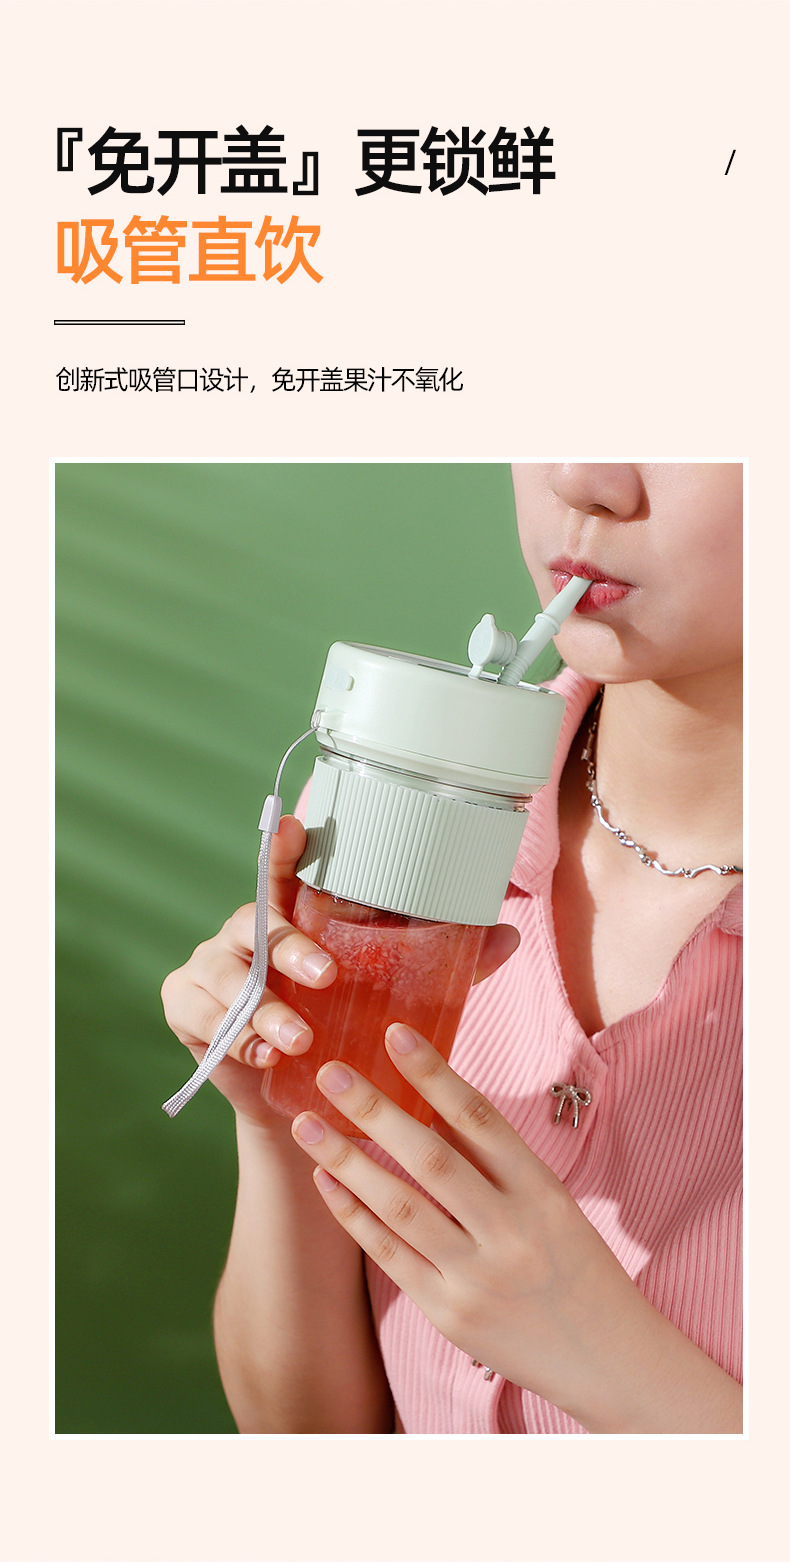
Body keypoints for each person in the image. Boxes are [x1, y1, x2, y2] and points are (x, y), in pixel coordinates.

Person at [161, 463, 743, 1434]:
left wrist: (616, 1364)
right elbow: (308, 1442)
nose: (582, 477)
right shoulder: (407, 816)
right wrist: (277, 1119)